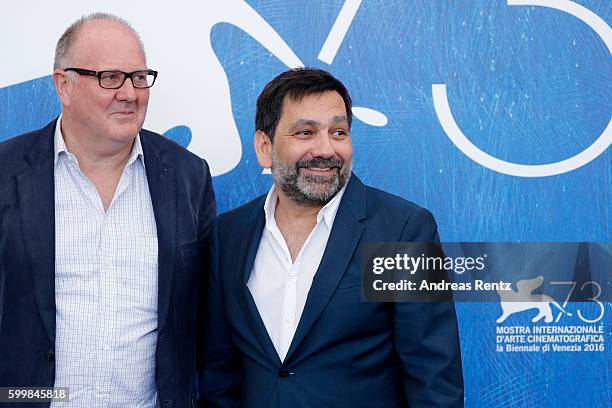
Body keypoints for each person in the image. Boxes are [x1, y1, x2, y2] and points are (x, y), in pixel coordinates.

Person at [201, 68, 464, 407]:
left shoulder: (404, 231)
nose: (326, 149)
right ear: (264, 147)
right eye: (305, 133)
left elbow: (435, 380)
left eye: (338, 132)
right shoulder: (229, 235)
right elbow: (219, 375)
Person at [0, 13, 215, 407]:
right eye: (110, 78)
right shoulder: (7, 172)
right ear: (63, 85)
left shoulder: (187, 176)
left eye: (138, 77)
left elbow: (209, 314)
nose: (130, 93)